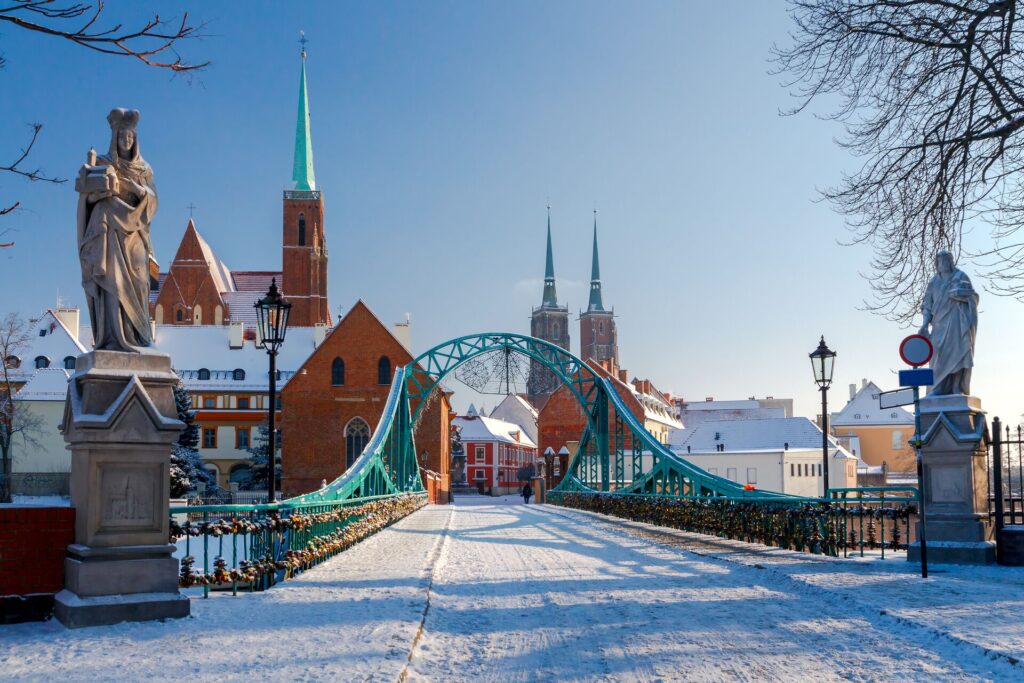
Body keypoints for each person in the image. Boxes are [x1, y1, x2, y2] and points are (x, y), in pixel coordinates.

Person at [75, 108, 158, 353]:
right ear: (115, 139)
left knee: (140, 283)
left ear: (136, 141)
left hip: (135, 237)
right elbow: (86, 201)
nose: (126, 141)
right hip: (108, 234)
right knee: (112, 285)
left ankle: (138, 337)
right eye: (122, 137)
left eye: (130, 137)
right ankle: (114, 338)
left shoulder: (144, 170)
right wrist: (97, 195)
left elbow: (154, 203)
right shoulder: (103, 164)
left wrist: (139, 189)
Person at [918, 250, 978, 395]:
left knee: (959, 353)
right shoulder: (933, 282)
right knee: (938, 355)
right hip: (939, 324)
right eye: (940, 261)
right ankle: (937, 388)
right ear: (937, 264)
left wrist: (961, 296)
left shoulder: (960, 276)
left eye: (946, 260)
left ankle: (956, 387)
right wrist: (925, 324)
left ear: (951, 262)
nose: (944, 264)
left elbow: (973, 297)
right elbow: (927, 305)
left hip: (958, 322)